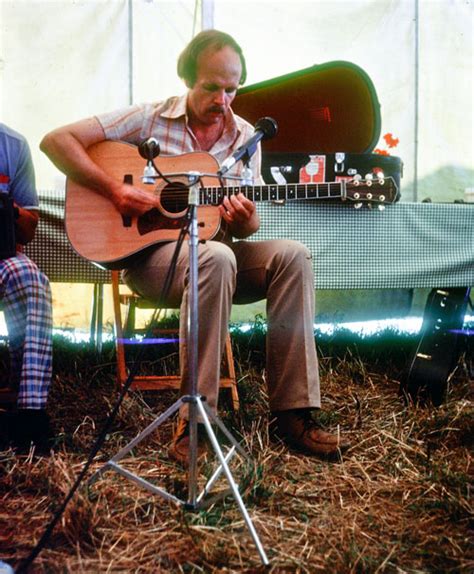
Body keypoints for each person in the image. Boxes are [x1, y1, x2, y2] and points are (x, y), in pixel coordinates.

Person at [40, 29, 349, 463]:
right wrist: (115, 191)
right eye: (211, 87)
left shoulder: (246, 138)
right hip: (152, 259)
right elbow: (57, 141)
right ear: (187, 78)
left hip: (216, 256)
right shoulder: (149, 118)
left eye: (232, 89)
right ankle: (196, 422)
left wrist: (246, 219)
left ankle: (294, 414)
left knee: (291, 256)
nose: (222, 100)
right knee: (215, 257)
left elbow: (247, 227)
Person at [0, 122, 53, 452]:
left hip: (2, 257)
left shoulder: (13, 145)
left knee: (30, 278)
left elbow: (29, 229)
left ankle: (29, 416)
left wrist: (8, 207)